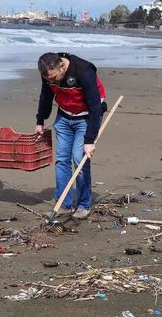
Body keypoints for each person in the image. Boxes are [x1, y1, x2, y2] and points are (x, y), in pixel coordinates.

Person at [35, 52, 106, 219]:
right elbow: (46, 96)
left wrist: (89, 139)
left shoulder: (84, 70)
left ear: (62, 66)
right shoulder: (48, 74)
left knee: (78, 160)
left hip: (86, 116)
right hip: (64, 116)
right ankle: (64, 204)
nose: (51, 81)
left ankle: (83, 205)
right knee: (61, 160)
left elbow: (96, 107)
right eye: (48, 79)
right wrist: (40, 120)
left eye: (54, 77)